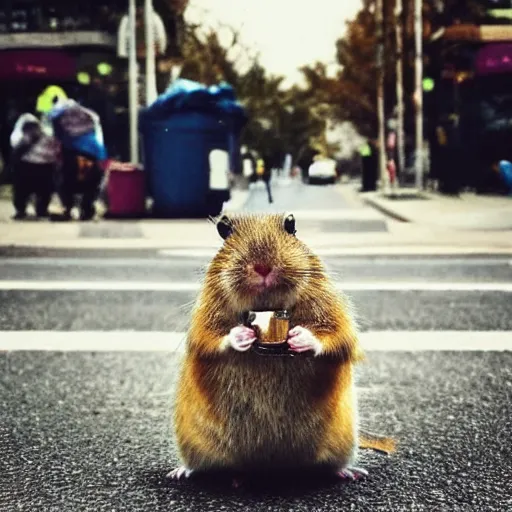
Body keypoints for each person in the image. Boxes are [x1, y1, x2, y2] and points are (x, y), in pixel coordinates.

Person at [10, 113, 61, 220]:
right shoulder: (47, 134)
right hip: (39, 166)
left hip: (34, 166)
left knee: (28, 191)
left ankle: (27, 210)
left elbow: (16, 150)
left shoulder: (45, 135)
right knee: (37, 191)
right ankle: (32, 210)